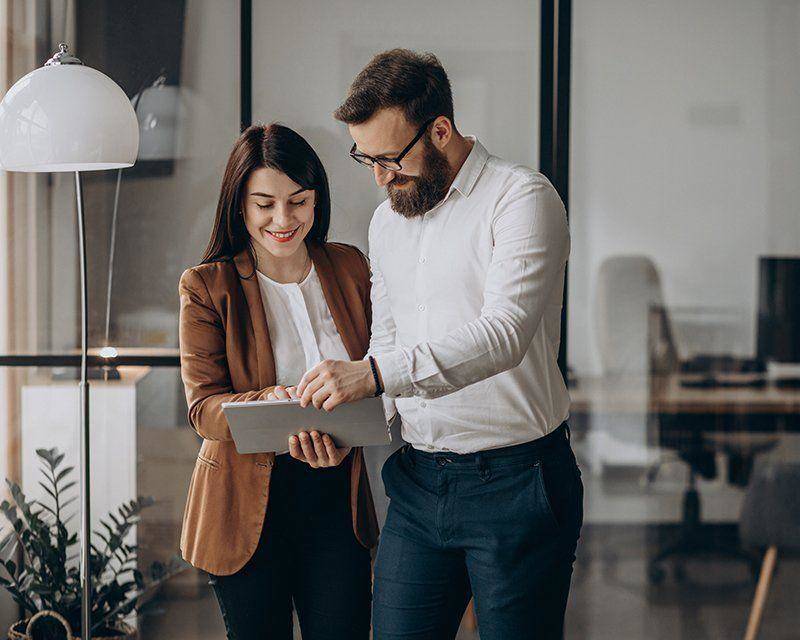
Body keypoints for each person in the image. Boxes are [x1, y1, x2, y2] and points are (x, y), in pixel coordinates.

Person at [296, 49, 583, 639]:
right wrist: (347, 425)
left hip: (518, 481)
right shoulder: (388, 221)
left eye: (389, 158)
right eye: (365, 159)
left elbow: (503, 335)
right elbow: (389, 338)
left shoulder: (521, 199)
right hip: (419, 483)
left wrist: (373, 375)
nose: (379, 177)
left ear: (441, 130)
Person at [178, 123, 378, 640]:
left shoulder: (350, 267)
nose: (283, 220)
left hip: (337, 498)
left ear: (317, 200)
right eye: (264, 204)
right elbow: (204, 411)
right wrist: (271, 401)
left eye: (299, 201)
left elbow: (382, 370)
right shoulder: (208, 285)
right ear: (238, 205)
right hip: (244, 507)